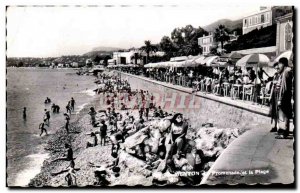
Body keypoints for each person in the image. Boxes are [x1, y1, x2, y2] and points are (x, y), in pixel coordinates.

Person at [270, 58, 293, 138]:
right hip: (287, 95)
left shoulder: (285, 72)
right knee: (285, 113)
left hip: (284, 96)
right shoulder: (287, 71)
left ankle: (284, 133)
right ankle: (284, 131)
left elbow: (284, 87)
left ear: (283, 64)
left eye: (280, 64)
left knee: (283, 114)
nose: (279, 66)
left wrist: (280, 98)